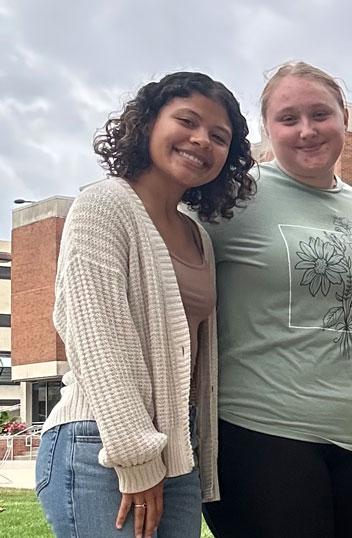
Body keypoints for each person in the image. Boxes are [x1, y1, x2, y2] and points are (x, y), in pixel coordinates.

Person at [36, 71, 256, 538]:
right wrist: (135, 456)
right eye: (187, 121)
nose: (202, 141)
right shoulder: (103, 206)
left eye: (220, 137)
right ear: (148, 124)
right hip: (100, 443)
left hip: (176, 450)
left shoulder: (197, 234)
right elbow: (96, 340)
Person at [200, 61, 352, 538]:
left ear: (345, 119)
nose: (307, 131)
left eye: (320, 114)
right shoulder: (231, 194)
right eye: (288, 119)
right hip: (264, 433)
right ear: (267, 128)